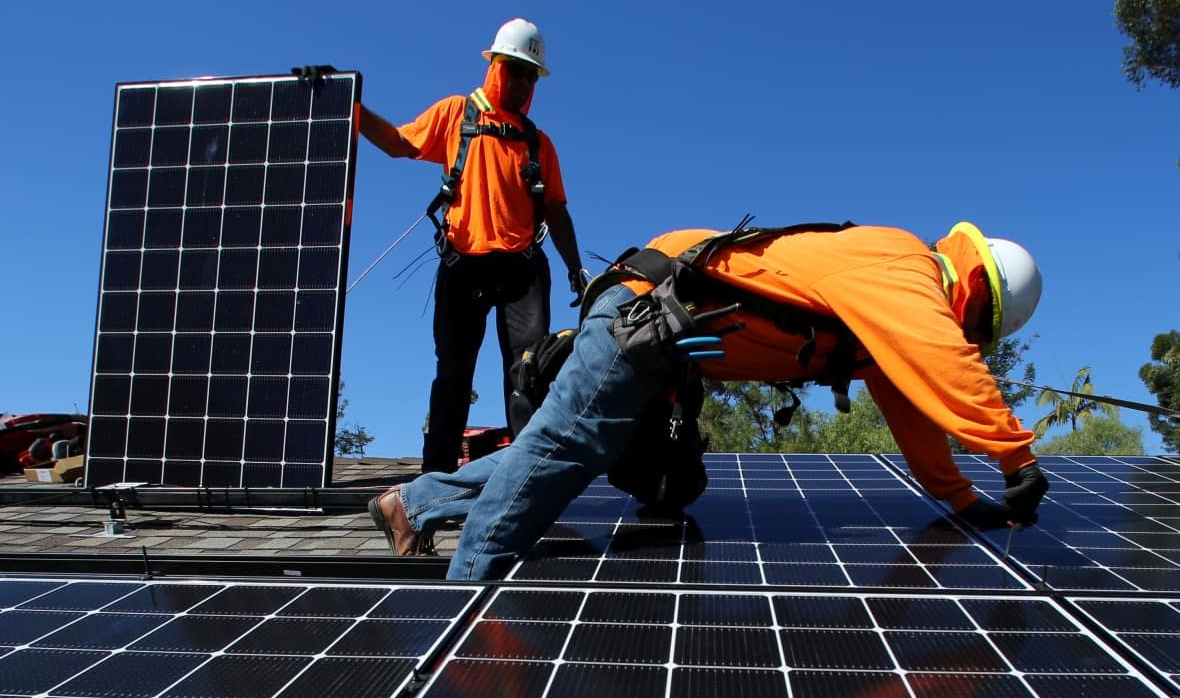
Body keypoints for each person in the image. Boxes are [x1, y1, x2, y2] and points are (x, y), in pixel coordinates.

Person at [367, 220, 1050, 578]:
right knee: (565, 446)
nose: (968, 332)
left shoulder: (888, 319)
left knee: (579, 446)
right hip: (644, 311)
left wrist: (962, 499)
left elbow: (913, 404)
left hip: (654, 330)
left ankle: (414, 502)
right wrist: (1015, 456)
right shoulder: (907, 268)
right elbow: (940, 357)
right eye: (979, 319)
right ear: (972, 286)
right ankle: (468, 591)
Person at [358, 18, 586, 473]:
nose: (521, 82)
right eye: (514, 69)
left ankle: (527, 479)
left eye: (529, 75)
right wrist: (351, 107)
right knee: (453, 375)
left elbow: (556, 210)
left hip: (522, 273)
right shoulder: (456, 115)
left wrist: (575, 269)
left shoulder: (539, 144)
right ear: (494, 65)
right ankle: (435, 480)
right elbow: (399, 143)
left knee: (528, 375)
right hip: (463, 267)